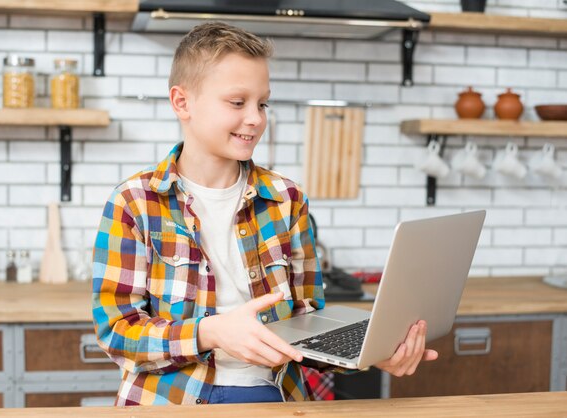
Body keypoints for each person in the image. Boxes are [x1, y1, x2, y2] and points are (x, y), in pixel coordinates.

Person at [92, 22, 438, 406]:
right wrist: (211, 332)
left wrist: (371, 350)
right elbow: (117, 332)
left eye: (263, 103)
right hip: (169, 400)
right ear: (182, 102)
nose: (256, 118)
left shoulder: (287, 199)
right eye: (238, 103)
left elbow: (308, 322)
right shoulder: (135, 202)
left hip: (272, 394)